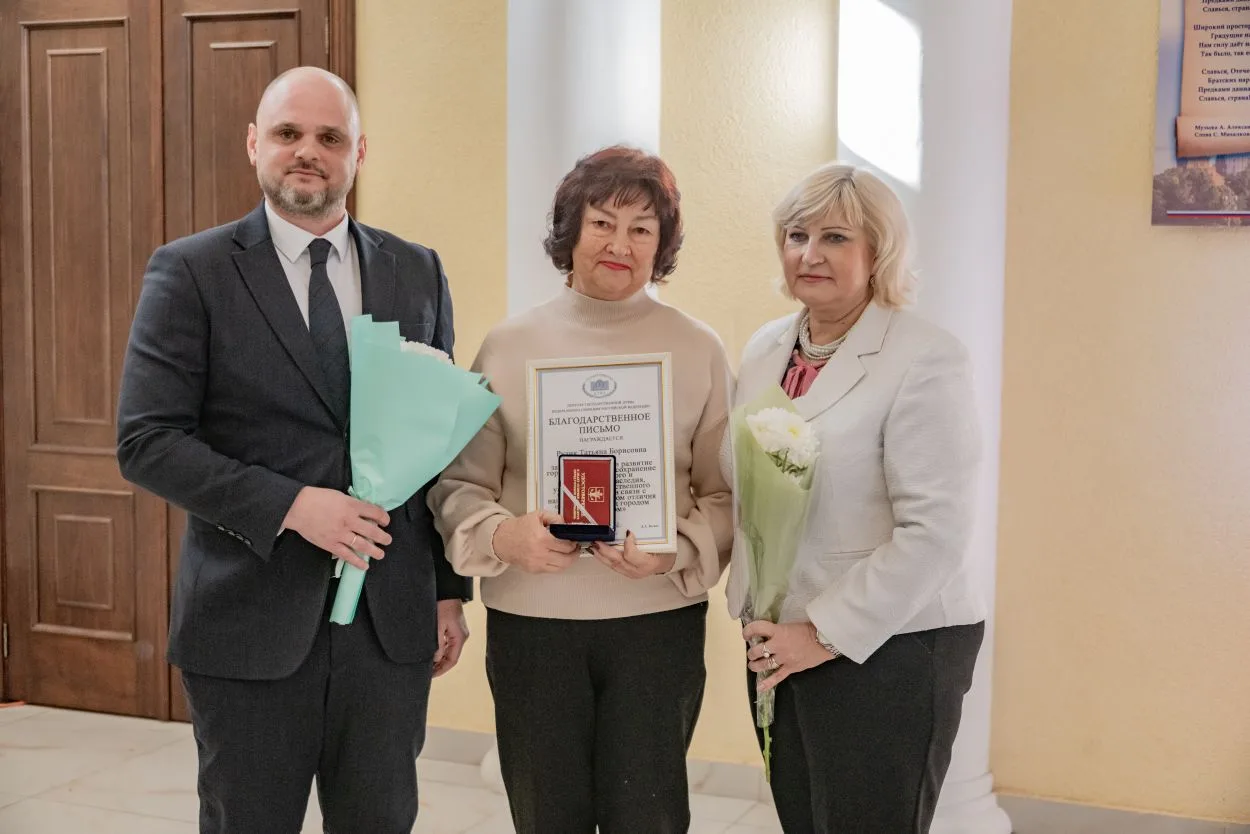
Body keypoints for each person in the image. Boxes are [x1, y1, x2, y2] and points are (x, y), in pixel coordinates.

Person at [116, 66, 470, 834]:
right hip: (248, 620)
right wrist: (294, 506)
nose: (308, 151)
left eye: (330, 137)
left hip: (388, 627)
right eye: (288, 133)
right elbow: (147, 441)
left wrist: (447, 590)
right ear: (255, 144)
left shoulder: (418, 270)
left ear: (358, 153)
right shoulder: (192, 271)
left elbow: (435, 443)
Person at [428, 145, 734, 834]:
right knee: (546, 818)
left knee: (649, 817)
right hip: (534, 626)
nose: (620, 245)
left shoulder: (699, 349)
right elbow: (461, 485)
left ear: (662, 244)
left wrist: (675, 550)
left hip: (656, 627)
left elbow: (724, 497)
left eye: (642, 229)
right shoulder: (508, 345)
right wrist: (504, 537)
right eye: (602, 223)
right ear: (570, 230)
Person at [727, 162, 987, 833]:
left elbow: (935, 530)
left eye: (836, 237)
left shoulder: (925, 356)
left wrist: (819, 633)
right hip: (776, 639)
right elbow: (747, 489)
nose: (809, 253)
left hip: (889, 646)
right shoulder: (764, 349)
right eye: (797, 235)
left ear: (879, 252)